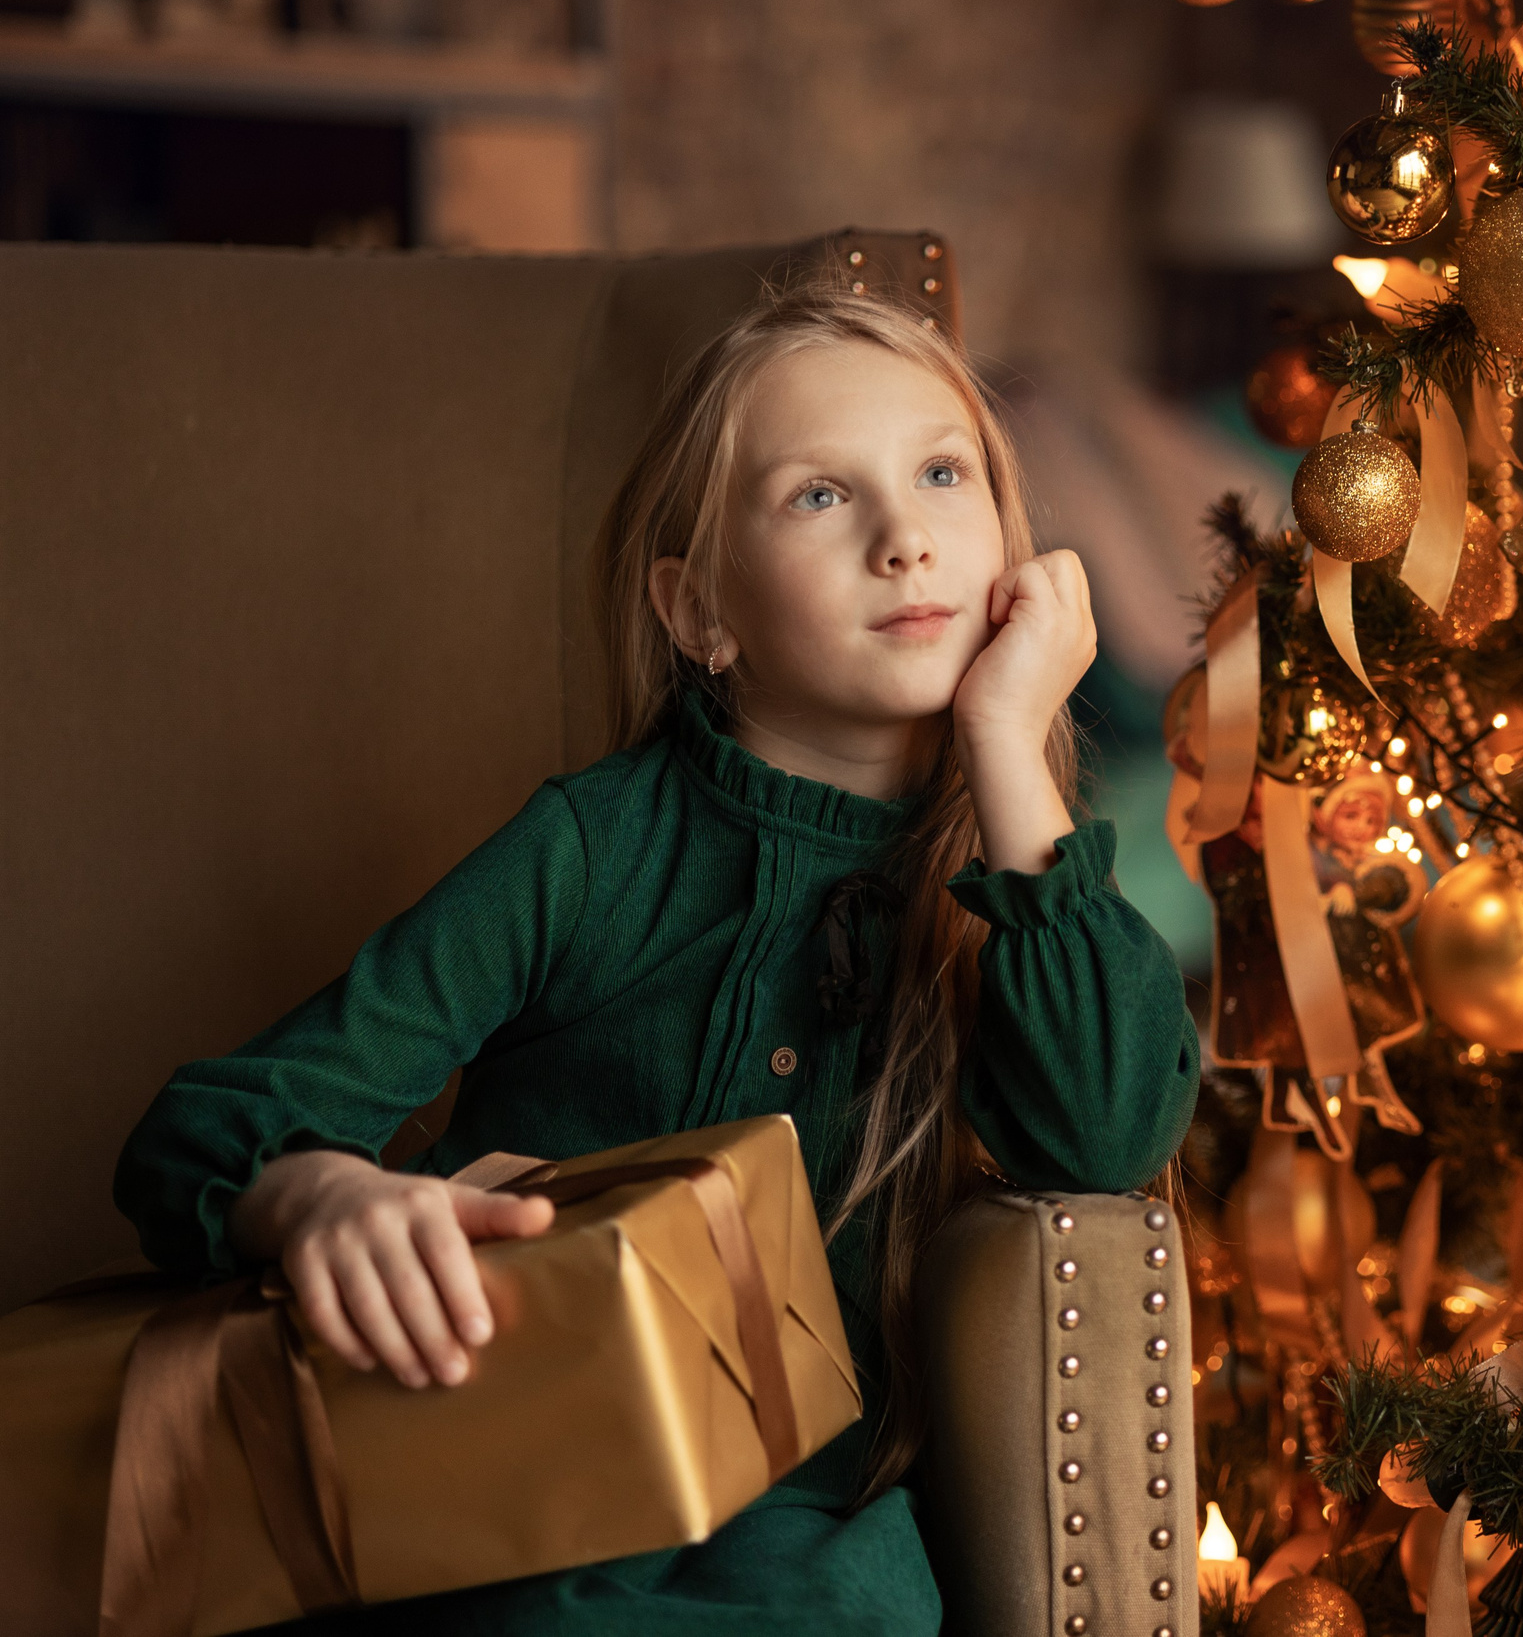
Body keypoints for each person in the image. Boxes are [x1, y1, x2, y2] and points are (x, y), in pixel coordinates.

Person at [112, 276, 1201, 1634]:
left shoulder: (1007, 874)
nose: (904, 540)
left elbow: (1104, 1134)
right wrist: (319, 1199)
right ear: (701, 616)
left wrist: (1007, 749)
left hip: (803, 1527)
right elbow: (206, 1127)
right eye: (820, 495)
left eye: (941, 475)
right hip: (507, 1483)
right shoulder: (588, 851)